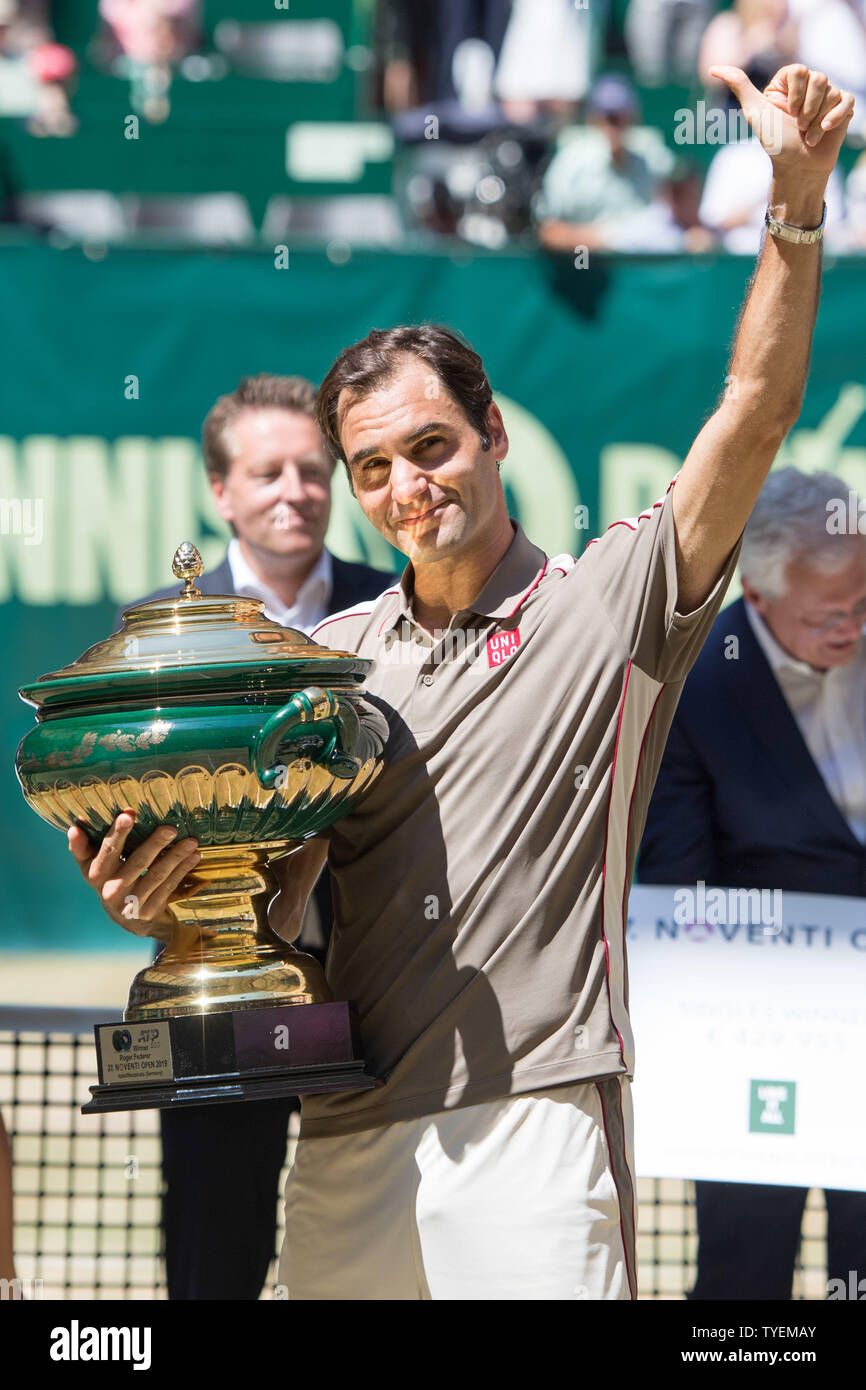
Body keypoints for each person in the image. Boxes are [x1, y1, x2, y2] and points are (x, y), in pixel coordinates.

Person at [71, 63, 855, 1299]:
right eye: (371, 466)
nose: (404, 487)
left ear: (492, 434)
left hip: (533, 1128)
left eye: (431, 447)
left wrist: (793, 204)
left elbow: (754, 408)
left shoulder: (609, 602)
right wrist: (170, 906)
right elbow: (266, 917)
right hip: (342, 1133)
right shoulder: (322, 672)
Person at [112, 372, 397, 1301]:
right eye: (268, 472)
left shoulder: (398, 610)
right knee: (214, 1250)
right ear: (222, 493)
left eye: (314, 472)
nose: (295, 492)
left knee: (379, 1245)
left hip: (381, 985)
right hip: (211, 995)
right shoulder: (156, 637)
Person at [638, 467, 866, 1300]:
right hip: (756, 1025)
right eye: (828, 615)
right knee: (743, 1268)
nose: (854, 626)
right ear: (760, 598)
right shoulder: (696, 686)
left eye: (864, 600)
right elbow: (675, 881)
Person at [535, 74, 665, 253]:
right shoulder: (570, 164)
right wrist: (603, 238)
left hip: (644, 275)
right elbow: (548, 231)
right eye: (607, 117)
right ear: (592, 119)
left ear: (633, 118)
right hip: (584, 271)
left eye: (620, 117)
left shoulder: (653, 161)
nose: (613, 126)